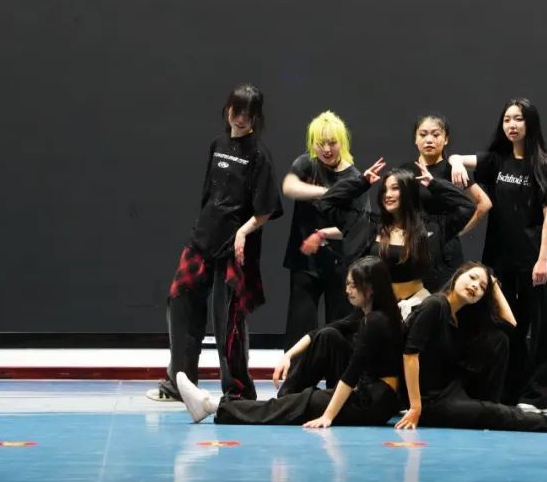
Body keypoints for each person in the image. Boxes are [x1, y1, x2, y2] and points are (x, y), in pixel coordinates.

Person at [147, 85, 283, 403]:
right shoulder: (217, 144)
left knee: (228, 320)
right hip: (203, 240)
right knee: (180, 301)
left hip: (234, 249)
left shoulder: (259, 155)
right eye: (236, 111)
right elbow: (210, 196)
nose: (240, 118)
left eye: (247, 114)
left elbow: (266, 209)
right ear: (228, 109)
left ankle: (238, 392)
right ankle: (179, 384)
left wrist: (242, 233)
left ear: (255, 117)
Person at [175, 256, 403, 427]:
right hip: (369, 390)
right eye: (347, 284)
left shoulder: (375, 322)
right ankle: (286, 400)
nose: (347, 291)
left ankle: (212, 406)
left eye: (353, 286)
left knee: (305, 402)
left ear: (370, 289)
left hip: (371, 402)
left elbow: (350, 375)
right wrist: (288, 355)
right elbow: (320, 332)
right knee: (328, 336)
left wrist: (328, 416)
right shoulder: (368, 312)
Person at [448, 98, 547, 410]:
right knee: (507, 328)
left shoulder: (543, 164)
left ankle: (536, 397)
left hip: (536, 263)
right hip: (501, 264)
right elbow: (457, 157)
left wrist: (542, 260)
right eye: (507, 119)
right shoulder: (497, 160)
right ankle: (509, 394)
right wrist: (456, 163)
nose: (512, 125)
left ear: (530, 123)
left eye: (518, 119)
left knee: (540, 331)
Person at [396, 262, 547, 435]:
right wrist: (415, 408)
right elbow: (410, 355)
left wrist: (494, 288)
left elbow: (510, 324)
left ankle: (488, 409)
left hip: (451, 388)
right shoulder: (436, 305)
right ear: (457, 276)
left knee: (498, 340)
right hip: (430, 402)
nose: (475, 286)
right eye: (472, 278)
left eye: (482, 287)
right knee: (495, 413)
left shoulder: (458, 315)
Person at [305, 157, 474, 321]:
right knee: (328, 334)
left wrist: (434, 184)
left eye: (395, 188)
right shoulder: (367, 224)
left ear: (408, 192)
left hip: (416, 308)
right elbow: (326, 202)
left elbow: (467, 207)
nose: (388, 194)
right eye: (384, 190)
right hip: (373, 310)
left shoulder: (431, 228)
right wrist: (361, 182)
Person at [281, 111, 365, 350]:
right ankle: (295, 372)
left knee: (337, 328)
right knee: (299, 325)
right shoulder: (307, 163)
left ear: (342, 142)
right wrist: (327, 193)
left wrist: (322, 234)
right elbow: (289, 186)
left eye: (332, 143)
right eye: (320, 143)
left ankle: (335, 374)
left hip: (338, 263)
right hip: (304, 261)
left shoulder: (353, 177)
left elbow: (355, 226)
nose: (326, 149)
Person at [400, 113, 492, 290]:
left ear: (446, 139)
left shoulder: (452, 170)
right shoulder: (405, 170)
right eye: (423, 134)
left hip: (444, 252)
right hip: (413, 247)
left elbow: (484, 203)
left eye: (436, 134)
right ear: (416, 139)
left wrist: (457, 231)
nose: (429, 140)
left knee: (443, 300)